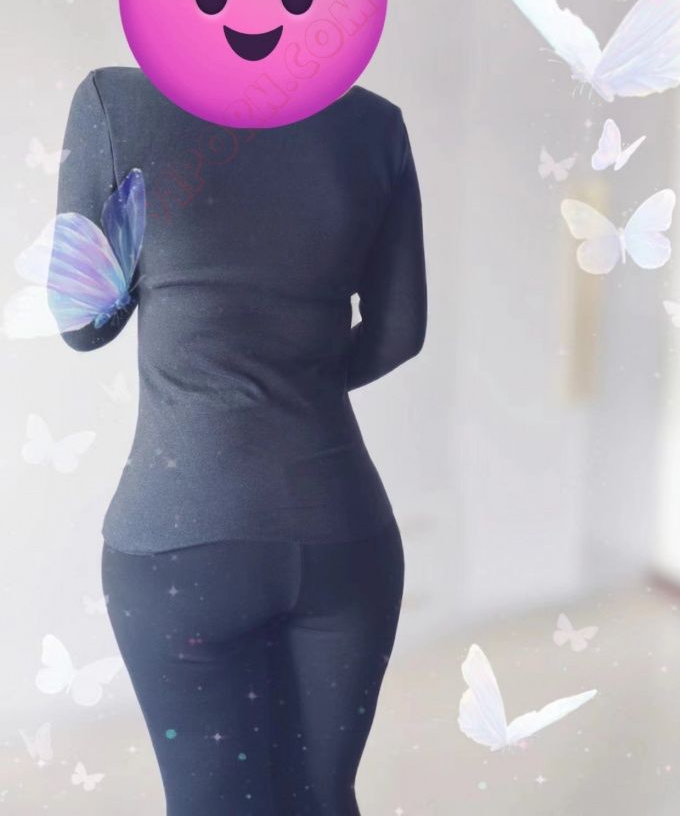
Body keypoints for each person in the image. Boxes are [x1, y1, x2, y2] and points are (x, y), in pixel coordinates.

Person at [56, 64, 427, 816]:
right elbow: (399, 332)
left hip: (178, 542)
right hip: (344, 534)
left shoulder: (116, 103)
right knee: (322, 797)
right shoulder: (374, 123)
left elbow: (83, 323)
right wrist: (296, 383)